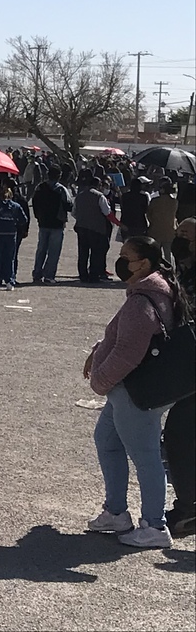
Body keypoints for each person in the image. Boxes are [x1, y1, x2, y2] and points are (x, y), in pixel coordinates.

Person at [84, 235, 188, 549]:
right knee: (107, 440)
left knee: (146, 458)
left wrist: (99, 381)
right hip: (131, 392)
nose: (120, 261)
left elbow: (127, 354)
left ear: (143, 263)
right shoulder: (154, 289)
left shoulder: (142, 300)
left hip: (133, 393)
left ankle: (154, 526)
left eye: (126, 257)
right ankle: (116, 511)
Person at [164, 218, 195, 538]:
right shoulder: (181, 269)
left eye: (185, 236)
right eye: (177, 234)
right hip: (185, 366)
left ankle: (188, 507)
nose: (178, 240)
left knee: (179, 436)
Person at [31, 167, 74, 284]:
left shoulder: (40, 188)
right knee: (53, 251)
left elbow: (34, 203)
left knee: (41, 250)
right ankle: (49, 275)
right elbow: (69, 205)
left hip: (43, 222)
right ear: (59, 176)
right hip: (57, 223)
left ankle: (37, 274)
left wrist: (38, 216)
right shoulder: (61, 189)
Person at [74, 175, 118, 283]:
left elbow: (74, 213)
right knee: (96, 253)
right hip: (96, 228)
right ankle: (94, 276)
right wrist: (118, 223)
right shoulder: (100, 196)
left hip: (81, 227)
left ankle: (83, 275)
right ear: (98, 185)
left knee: (83, 253)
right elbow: (107, 213)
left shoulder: (79, 196)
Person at [147, 178, 178, 263]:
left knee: (155, 254)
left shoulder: (155, 201)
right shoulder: (174, 202)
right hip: (169, 231)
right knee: (168, 254)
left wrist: (153, 222)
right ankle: (169, 271)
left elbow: (149, 214)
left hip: (155, 231)